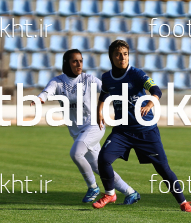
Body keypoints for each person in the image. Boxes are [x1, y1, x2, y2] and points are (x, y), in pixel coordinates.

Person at [93, 39, 191, 212]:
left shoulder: (137, 74)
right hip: (122, 132)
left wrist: (149, 104)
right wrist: (99, 112)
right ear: (111, 57)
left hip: (146, 131)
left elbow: (156, 91)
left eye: (125, 54)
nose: (122, 57)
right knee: (103, 159)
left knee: (163, 169)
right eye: (118, 54)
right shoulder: (107, 78)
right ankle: (110, 194)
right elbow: (104, 95)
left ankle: (183, 202)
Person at [34, 49, 140, 204]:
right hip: (77, 131)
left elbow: (107, 88)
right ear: (67, 63)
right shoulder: (58, 82)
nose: (79, 64)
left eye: (81, 61)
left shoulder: (88, 79)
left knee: (76, 153)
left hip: (94, 125)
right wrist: (40, 99)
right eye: (75, 61)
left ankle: (93, 187)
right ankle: (130, 192)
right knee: (99, 167)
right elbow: (46, 92)